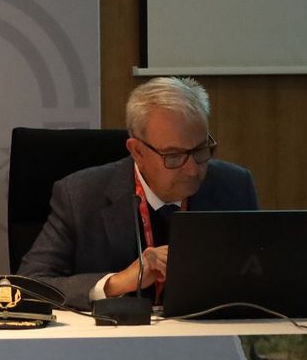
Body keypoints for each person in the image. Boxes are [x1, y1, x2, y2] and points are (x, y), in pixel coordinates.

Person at [19, 76, 257, 309]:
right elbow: (30, 284)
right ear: (137, 152)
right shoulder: (80, 195)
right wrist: (116, 282)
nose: (193, 169)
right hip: (114, 342)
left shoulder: (234, 186)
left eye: (201, 150)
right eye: (173, 156)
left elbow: (258, 276)